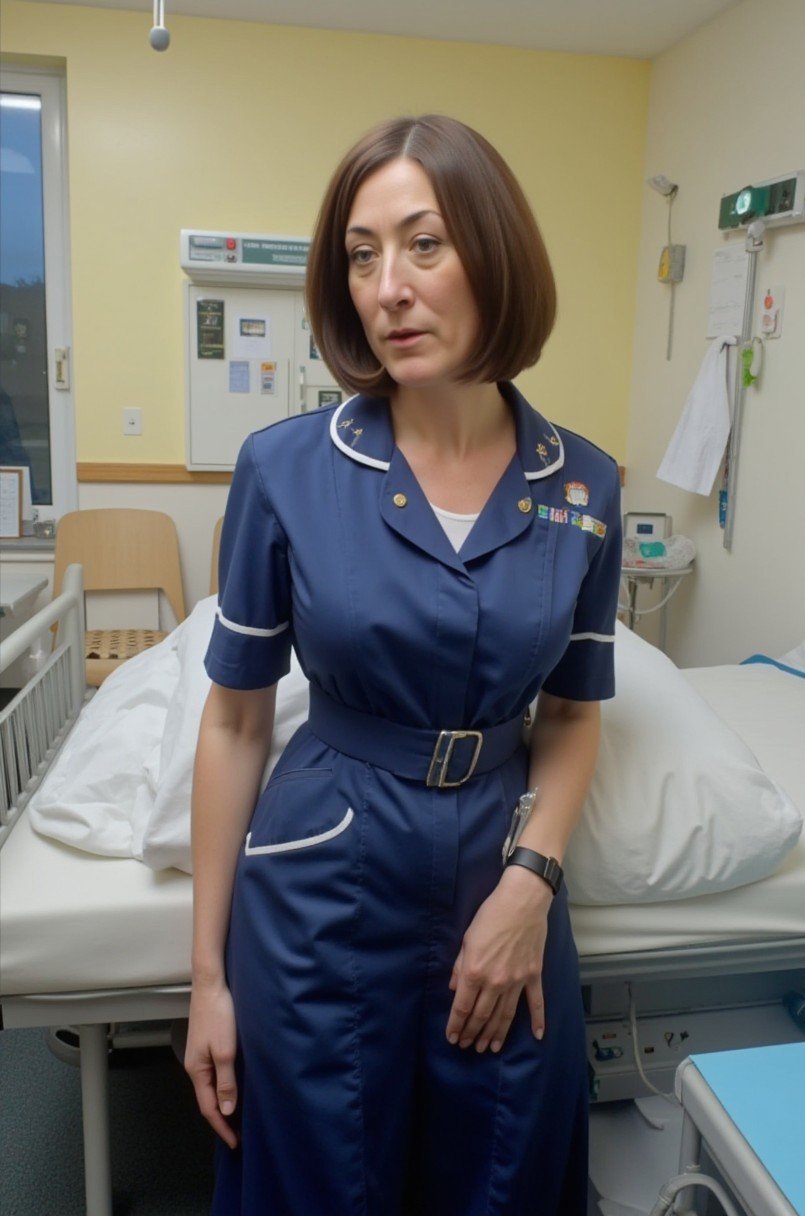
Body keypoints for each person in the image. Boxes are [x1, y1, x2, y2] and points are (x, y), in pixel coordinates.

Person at [185, 114, 622, 1216]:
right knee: (322, 1172)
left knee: (507, 1163)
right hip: (325, 868)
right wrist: (205, 981)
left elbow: (571, 714)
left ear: (494, 252)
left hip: (499, 858)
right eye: (362, 254)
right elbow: (235, 722)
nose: (388, 286)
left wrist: (531, 881)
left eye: (423, 244)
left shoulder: (586, 486)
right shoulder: (286, 469)